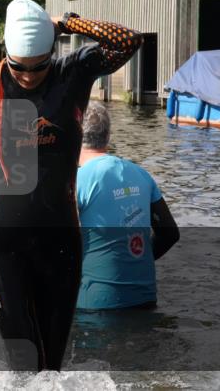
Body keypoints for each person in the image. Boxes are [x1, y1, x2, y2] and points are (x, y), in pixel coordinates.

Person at [0, 0, 142, 371]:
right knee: (24, 362)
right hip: (4, 245)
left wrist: (67, 22)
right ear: (5, 51)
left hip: (61, 240)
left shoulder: (73, 72)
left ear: (52, 51)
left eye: (38, 66)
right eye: (19, 67)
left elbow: (129, 40)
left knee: (51, 368)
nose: (27, 76)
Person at [76, 104, 178, 311]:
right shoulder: (141, 174)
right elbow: (170, 234)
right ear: (108, 136)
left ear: (74, 137)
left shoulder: (77, 180)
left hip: (96, 306)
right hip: (145, 300)